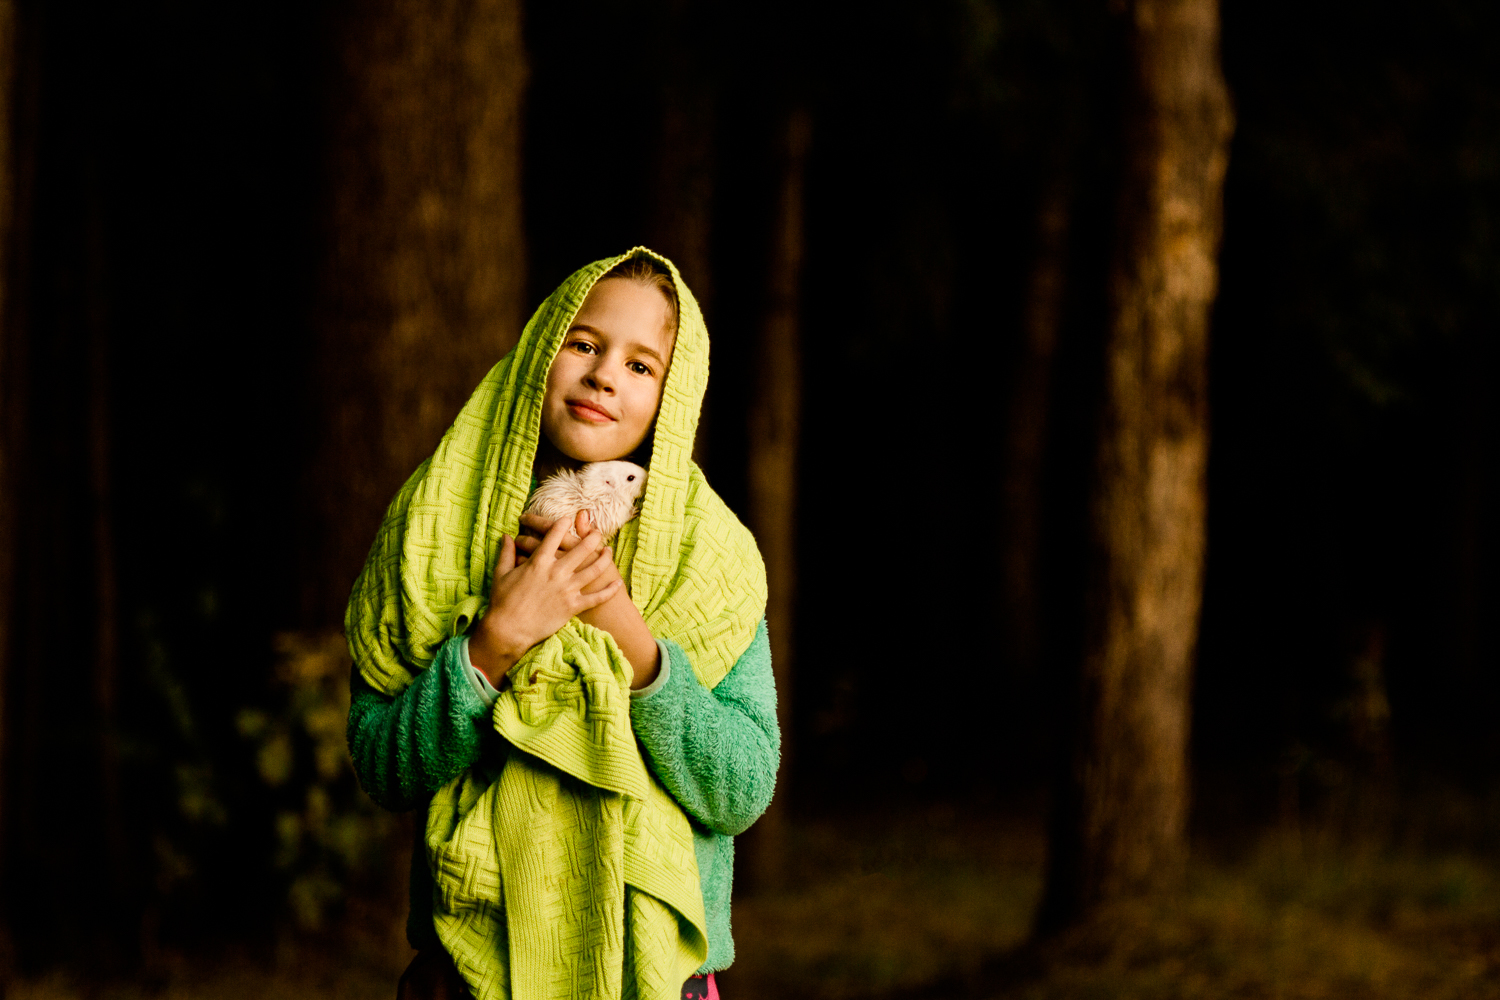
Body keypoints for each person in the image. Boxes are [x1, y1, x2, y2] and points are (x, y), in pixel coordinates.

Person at [345, 248, 778, 1000]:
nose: (606, 373)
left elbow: (740, 789)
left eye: (643, 366)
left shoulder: (711, 559)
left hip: (659, 979)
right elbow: (383, 766)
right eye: (584, 343)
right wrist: (489, 647)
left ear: (674, 397)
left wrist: (632, 641)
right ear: (542, 351)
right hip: (472, 970)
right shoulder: (436, 524)